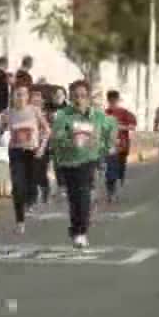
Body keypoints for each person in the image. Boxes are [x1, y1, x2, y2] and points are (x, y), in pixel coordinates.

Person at [51, 80, 117, 248]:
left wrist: (108, 145)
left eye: (82, 96)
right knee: (74, 198)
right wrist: (70, 141)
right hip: (68, 161)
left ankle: (82, 231)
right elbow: (57, 137)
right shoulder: (63, 115)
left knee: (84, 195)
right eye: (75, 96)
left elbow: (112, 125)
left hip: (89, 160)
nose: (79, 100)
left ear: (88, 97)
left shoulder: (97, 115)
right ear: (71, 98)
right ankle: (75, 229)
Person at [0, 85, 50, 234]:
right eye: (17, 95)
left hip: (32, 152)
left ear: (27, 97)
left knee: (30, 182)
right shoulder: (8, 113)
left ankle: (32, 197)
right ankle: (20, 221)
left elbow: (47, 130)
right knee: (17, 186)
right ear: (12, 96)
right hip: (15, 152)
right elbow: (0, 131)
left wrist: (42, 147)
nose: (20, 98)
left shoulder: (34, 111)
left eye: (23, 95)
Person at [104, 90, 137, 203]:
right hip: (110, 146)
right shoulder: (104, 113)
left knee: (120, 168)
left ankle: (118, 183)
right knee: (110, 168)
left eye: (115, 101)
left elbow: (132, 127)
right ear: (108, 100)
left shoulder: (125, 113)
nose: (113, 103)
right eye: (111, 101)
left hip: (123, 145)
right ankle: (111, 192)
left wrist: (119, 127)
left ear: (118, 100)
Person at [29, 87, 52, 205]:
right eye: (33, 100)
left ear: (42, 102)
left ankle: (45, 191)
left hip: (42, 147)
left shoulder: (46, 115)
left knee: (40, 172)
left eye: (38, 101)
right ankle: (31, 198)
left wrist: (42, 148)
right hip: (28, 146)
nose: (36, 103)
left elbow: (47, 133)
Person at [46, 86, 69, 198]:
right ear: (53, 97)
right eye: (56, 95)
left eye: (61, 95)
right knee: (54, 165)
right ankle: (58, 187)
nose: (58, 97)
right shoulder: (47, 108)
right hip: (50, 140)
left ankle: (64, 186)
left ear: (64, 96)